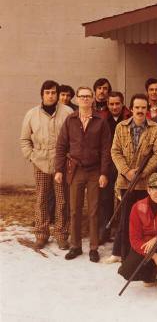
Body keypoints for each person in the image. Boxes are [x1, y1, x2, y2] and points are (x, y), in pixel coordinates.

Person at [55, 86, 112, 262]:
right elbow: (61, 146)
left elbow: (105, 150)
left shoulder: (100, 121)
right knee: (74, 210)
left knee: (94, 210)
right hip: (76, 169)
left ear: (93, 99)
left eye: (88, 96)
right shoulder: (70, 120)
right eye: (82, 96)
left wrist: (104, 173)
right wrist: (58, 169)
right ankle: (75, 246)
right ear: (77, 99)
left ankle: (93, 248)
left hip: (94, 170)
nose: (85, 99)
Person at [107, 93, 157, 264]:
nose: (140, 111)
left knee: (145, 222)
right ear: (131, 109)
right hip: (125, 183)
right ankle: (125, 257)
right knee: (125, 221)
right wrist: (126, 171)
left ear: (147, 109)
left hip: (146, 185)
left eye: (143, 107)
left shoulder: (156, 129)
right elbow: (115, 151)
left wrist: (142, 172)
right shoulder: (121, 127)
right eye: (137, 107)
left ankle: (142, 256)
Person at [20, 80, 73, 249]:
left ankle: (62, 234)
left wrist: (68, 159)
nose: (50, 95)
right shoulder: (31, 114)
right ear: (42, 94)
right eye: (47, 92)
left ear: (58, 95)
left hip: (61, 164)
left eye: (53, 92)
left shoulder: (67, 112)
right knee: (42, 198)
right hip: (40, 162)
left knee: (62, 200)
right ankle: (41, 234)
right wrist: (32, 156)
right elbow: (24, 139)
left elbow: (74, 138)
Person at [98, 91, 131, 244]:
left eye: (117, 103)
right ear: (107, 105)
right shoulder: (103, 119)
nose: (114, 106)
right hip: (108, 164)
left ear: (122, 103)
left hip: (124, 164)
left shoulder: (129, 118)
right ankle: (104, 232)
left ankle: (121, 232)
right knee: (105, 199)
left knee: (123, 198)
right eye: (111, 104)